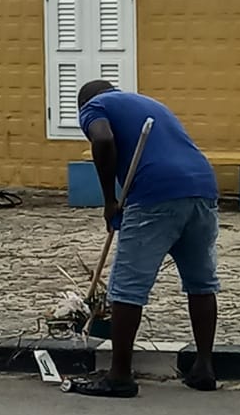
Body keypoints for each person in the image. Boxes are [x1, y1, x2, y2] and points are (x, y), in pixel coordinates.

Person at [70, 80, 219, 398]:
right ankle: (204, 367)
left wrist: (109, 200)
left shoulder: (94, 107)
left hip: (155, 193)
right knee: (201, 282)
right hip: (202, 187)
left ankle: (120, 375)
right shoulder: (151, 104)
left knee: (127, 286)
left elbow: (103, 139)